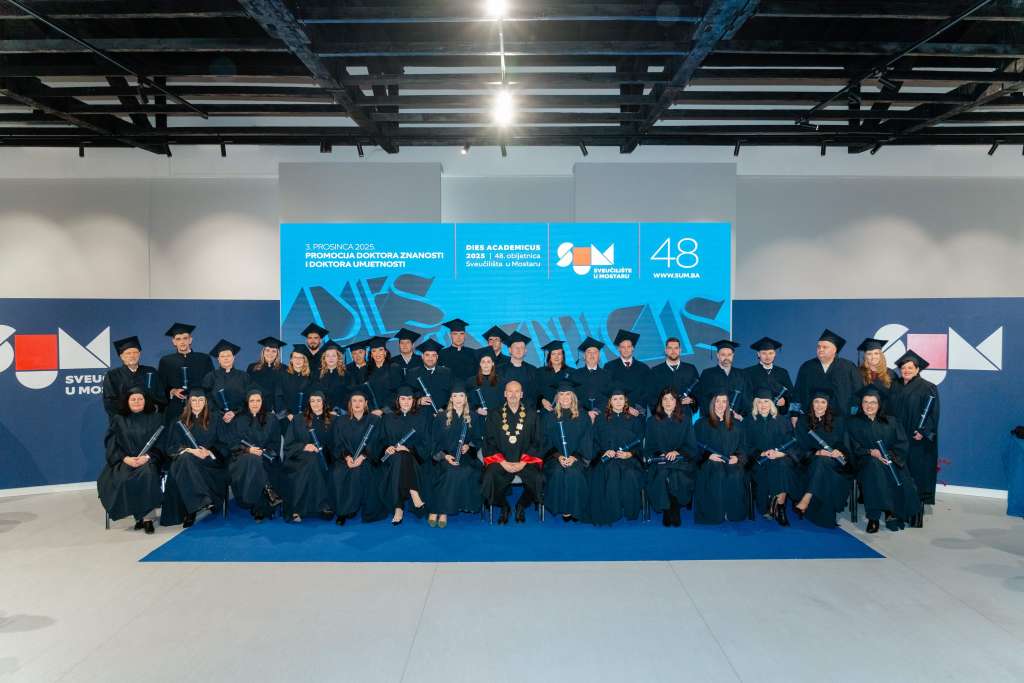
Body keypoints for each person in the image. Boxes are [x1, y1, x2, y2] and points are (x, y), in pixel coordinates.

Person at [846, 385, 920, 533]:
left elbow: (902, 444)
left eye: (873, 402)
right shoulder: (853, 422)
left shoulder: (892, 421)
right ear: (861, 404)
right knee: (874, 466)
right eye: (866, 402)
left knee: (888, 471)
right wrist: (869, 452)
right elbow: (851, 446)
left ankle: (887, 511)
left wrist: (888, 456)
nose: (869, 405)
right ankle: (877, 516)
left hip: (890, 460)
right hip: (864, 462)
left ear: (879, 404)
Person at [97, 387, 165, 533]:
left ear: (146, 401)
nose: (137, 402)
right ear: (127, 402)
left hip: (149, 459)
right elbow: (112, 444)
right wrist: (125, 458)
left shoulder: (156, 418)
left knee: (146, 474)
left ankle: (147, 519)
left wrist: (147, 457)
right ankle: (137, 514)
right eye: (133, 399)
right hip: (124, 460)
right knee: (122, 479)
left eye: (140, 399)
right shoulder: (118, 419)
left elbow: (162, 443)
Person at [159, 388, 228, 528]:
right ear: (189, 402)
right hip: (186, 461)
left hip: (209, 462)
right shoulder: (179, 421)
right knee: (186, 459)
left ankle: (191, 510)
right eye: (194, 400)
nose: (197, 403)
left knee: (182, 464)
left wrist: (209, 452)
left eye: (201, 400)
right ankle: (198, 503)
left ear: (206, 402)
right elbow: (171, 447)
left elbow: (225, 444)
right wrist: (189, 450)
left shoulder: (215, 419)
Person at [890, 350, 940, 527]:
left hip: (917, 439)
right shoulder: (894, 386)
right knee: (899, 472)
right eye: (903, 368)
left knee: (916, 474)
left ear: (918, 369)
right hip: (897, 438)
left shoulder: (928, 387)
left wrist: (923, 431)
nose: (906, 370)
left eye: (910, 368)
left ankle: (916, 514)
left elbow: (933, 414)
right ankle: (899, 510)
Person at [482, 379, 543, 524]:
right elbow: (489, 441)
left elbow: (537, 441)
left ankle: (521, 505)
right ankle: (504, 506)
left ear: (522, 394)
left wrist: (523, 462)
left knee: (539, 479)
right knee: (488, 478)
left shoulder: (532, 414)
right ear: (505, 394)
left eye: (517, 391)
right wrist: (502, 462)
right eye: (510, 391)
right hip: (501, 461)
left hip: (526, 461)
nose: (513, 395)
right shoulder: (494, 414)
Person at [792, 388, 851, 528]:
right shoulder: (803, 421)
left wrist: (839, 451)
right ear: (811, 403)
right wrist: (816, 452)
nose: (819, 405)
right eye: (816, 402)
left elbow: (846, 444)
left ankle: (806, 498)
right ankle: (810, 501)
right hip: (809, 462)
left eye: (823, 402)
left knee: (822, 463)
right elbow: (798, 448)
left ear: (828, 404)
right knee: (821, 461)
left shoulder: (838, 421)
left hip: (836, 463)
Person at [223, 388, 285, 522]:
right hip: (241, 458)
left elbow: (275, 442)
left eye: (258, 400)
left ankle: (261, 505)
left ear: (262, 402)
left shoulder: (271, 419)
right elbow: (232, 443)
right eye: (252, 401)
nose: (255, 404)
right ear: (247, 403)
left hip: (266, 456)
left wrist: (264, 451)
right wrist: (248, 450)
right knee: (253, 460)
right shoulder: (238, 420)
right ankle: (267, 493)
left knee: (258, 462)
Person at [427, 381, 483, 527]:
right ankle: (441, 510)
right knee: (450, 471)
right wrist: (445, 456)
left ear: (466, 398)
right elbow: (434, 442)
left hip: (465, 457)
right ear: (451, 398)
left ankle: (441, 511)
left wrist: (469, 446)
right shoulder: (441, 417)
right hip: (444, 456)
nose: (458, 399)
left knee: (463, 471)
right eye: (455, 396)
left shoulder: (473, 416)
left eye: (461, 396)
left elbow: (478, 440)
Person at [643, 387, 699, 527]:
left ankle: (672, 508)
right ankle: (669, 509)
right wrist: (659, 454)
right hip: (660, 461)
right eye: (665, 399)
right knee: (664, 472)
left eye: (672, 399)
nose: (668, 402)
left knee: (675, 474)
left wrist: (677, 452)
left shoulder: (685, 420)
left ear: (677, 402)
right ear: (660, 402)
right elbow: (648, 447)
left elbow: (691, 445)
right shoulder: (652, 421)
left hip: (681, 460)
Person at [589, 386, 645, 525]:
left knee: (630, 474)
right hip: (606, 459)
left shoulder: (634, 419)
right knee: (612, 470)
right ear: (610, 402)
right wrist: (604, 452)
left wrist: (629, 454)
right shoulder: (601, 419)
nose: (618, 402)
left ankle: (630, 510)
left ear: (626, 401)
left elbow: (640, 442)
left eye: (621, 398)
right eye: (615, 399)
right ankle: (613, 511)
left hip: (629, 459)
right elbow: (594, 441)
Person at [745, 386, 801, 526]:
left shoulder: (782, 421)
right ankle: (773, 505)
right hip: (759, 460)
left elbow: (792, 443)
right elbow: (744, 445)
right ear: (755, 404)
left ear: (771, 403)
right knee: (777, 468)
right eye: (759, 402)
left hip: (780, 458)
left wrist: (781, 453)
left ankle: (779, 508)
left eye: (766, 401)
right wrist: (761, 453)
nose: (763, 405)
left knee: (782, 465)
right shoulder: (749, 421)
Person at [540, 379, 593, 523]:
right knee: (557, 471)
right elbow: (544, 441)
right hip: (554, 458)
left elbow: (587, 440)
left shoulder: (583, 416)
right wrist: (558, 456)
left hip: (577, 457)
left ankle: (575, 508)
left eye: (568, 394)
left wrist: (574, 457)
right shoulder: (549, 417)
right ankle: (562, 507)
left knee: (573, 472)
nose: (564, 398)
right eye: (561, 394)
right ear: (557, 397)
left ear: (573, 397)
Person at [329, 388, 384, 525]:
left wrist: (363, 456)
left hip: (367, 458)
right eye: (354, 401)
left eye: (360, 401)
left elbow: (377, 442)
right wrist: (347, 457)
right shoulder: (341, 421)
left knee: (359, 471)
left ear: (366, 403)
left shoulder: (374, 420)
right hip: (345, 458)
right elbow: (337, 443)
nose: (357, 404)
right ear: (350, 403)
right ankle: (342, 511)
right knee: (338, 473)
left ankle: (350, 509)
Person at [693, 391, 749, 524]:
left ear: (728, 404)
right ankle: (716, 514)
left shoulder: (737, 424)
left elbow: (744, 447)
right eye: (717, 401)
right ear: (712, 403)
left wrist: (737, 458)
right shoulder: (701, 424)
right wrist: (708, 455)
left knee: (735, 475)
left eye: (724, 401)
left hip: (731, 460)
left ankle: (731, 512)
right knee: (717, 473)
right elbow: (694, 446)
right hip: (709, 461)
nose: (720, 405)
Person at [377, 386, 429, 525]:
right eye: (403, 399)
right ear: (398, 400)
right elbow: (380, 440)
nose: (406, 402)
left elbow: (426, 443)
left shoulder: (421, 418)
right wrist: (387, 447)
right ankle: (414, 493)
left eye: (409, 399)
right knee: (400, 457)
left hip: (414, 458)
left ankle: (398, 508)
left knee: (403, 456)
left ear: (414, 401)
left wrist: (409, 449)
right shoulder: (388, 418)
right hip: (391, 458)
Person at [282, 390, 334, 522]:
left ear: (324, 403)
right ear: (309, 403)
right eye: (312, 401)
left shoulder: (332, 419)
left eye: (318, 401)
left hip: (325, 457)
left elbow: (337, 442)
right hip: (298, 457)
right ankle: (318, 505)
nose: (315, 404)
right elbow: (288, 444)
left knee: (315, 461)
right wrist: (304, 446)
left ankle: (303, 508)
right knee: (311, 461)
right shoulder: (298, 419)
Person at [793, 329, 862, 421]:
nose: (820, 350)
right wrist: (794, 414)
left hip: (842, 420)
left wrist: (854, 415)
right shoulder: (807, 367)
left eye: (825, 347)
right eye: (818, 347)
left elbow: (858, 394)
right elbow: (797, 393)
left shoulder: (848, 367)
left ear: (835, 350)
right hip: (811, 419)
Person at [157, 322, 214, 424]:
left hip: (198, 406)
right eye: (178, 339)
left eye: (185, 338)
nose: (182, 342)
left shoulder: (204, 359)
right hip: (176, 406)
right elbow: (161, 385)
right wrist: (172, 391)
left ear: (190, 340)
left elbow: (211, 383)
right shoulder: (166, 361)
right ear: (174, 342)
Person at [103, 335, 165, 421]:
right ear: (121, 356)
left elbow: (161, 396)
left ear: (139, 354)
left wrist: (152, 410)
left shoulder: (151, 371)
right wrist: (123, 417)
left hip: (149, 420)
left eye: (135, 352)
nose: (132, 356)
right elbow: (110, 402)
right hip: (124, 421)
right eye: (128, 353)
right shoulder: (112, 375)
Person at [202, 339, 252, 425]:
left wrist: (235, 412)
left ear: (234, 357)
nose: (226, 358)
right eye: (222, 356)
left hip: (240, 419)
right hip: (217, 419)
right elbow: (206, 398)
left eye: (228, 355)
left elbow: (249, 398)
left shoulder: (244, 376)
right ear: (218, 359)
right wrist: (220, 413)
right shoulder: (210, 377)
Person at [697, 340, 750, 421]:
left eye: (729, 355)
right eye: (723, 355)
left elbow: (746, 399)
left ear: (733, 355)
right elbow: (702, 399)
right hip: (713, 421)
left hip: (735, 421)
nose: (726, 358)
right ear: (717, 355)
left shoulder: (741, 374)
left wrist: (740, 416)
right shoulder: (707, 374)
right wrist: (713, 416)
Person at [648, 337, 700, 418]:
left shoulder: (690, 369)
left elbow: (698, 392)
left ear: (680, 350)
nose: (673, 351)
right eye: (670, 348)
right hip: (663, 417)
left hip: (685, 416)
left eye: (676, 348)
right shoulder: (655, 371)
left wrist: (691, 400)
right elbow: (651, 396)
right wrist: (660, 414)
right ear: (665, 350)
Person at [743, 337, 794, 417]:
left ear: (775, 354)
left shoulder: (782, 372)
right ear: (758, 354)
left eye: (771, 353)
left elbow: (791, 393)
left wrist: (785, 400)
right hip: (756, 415)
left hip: (777, 416)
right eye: (764, 353)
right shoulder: (748, 372)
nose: (768, 357)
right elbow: (745, 395)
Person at [604, 330, 651, 416]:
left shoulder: (644, 368)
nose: (626, 350)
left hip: (638, 412)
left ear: (633, 348)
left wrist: (637, 408)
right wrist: (625, 407)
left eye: (629, 347)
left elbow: (647, 392)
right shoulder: (609, 367)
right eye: (623, 347)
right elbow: (608, 390)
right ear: (618, 348)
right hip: (617, 412)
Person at [407, 338, 453, 417]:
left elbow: (452, 393)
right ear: (422, 356)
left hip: (441, 415)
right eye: (427, 355)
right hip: (420, 415)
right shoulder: (413, 373)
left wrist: (444, 408)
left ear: (437, 357)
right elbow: (407, 394)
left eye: (433, 355)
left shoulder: (447, 372)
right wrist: (418, 401)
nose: (430, 358)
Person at [570, 336, 610, 421]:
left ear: (599, 356)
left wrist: (597, 411)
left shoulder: (607, 375)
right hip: (580, 416)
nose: (592, 355)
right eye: (589, 352)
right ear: (584, 356)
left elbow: (609, 397)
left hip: (602, 416)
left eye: (595, 352)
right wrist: (585, 412)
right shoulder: (575, 375)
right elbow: (572, 396)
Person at [857, 338, 899, 415]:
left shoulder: (891, 374)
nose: (873, 357)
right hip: (863, 414)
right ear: (865, 356)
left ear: (881, 355)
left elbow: (895, 399)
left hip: (885, 415)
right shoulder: (858, 373)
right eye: (869, 354)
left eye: (876, 353)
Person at [246, 336, 286, 417]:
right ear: (263, 352)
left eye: (274, 351)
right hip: (258, 410)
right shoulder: (252, 368)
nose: (270, 353)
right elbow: (249, 389)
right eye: (267, 350)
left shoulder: (284, 369)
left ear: (277, 354)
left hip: (279, 412)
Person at [497, 331, 539, 405]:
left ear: (525, 351)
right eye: (516, 347)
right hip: (504, 409)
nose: (519, 350)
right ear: (510, 350)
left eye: (522, 347)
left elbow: (535, 393)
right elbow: (497, 393)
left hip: (527, 409)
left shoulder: (532, 370)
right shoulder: (500, 370)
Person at [363, 336, 400, 415]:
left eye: (380, 350)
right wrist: (371, 410)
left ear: (385, 352)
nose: (377, 353)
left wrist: (383, 410)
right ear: (371, 355)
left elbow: (397, 391)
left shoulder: (394, 368)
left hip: (390, 411)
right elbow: (365, 393)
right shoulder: (366, 370)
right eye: (374, 351)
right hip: (372, 412)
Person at [278, 345, 313, 427]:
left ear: (305, 360)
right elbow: (278, 396)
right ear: (291, 359)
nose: (298, 360)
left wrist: (306, 414)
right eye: (295, 357)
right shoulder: (283, 375)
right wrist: (288, 414)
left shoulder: (311, 377)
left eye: (301, 358)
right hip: (287, 418)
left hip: (306, 418)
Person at [314, 341, 348, 415]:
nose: (330, 358)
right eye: (328, 356)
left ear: (338, 357)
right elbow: (314, 394)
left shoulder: (346, 374)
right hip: (321, 413)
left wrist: (337, 410)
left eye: (333, 355)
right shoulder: (317, 374)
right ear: (324, 358)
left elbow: (348, 395)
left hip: (339, 414)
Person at [538, 339, 572, 412]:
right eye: (553, 354)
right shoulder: (540, 372)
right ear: (549, 356)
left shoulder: (572, 372)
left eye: (559, 354)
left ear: (563, 356)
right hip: (545, 411)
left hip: (566, 411)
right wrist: (542, 400)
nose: (556, 357)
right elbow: (535, 391)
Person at [469, 353, 502, 418]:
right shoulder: (471, 381)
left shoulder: (501, 381)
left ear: (493, 364)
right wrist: (476, 409)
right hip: (478, 417)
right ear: (480, 364)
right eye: (483, 362)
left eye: (488, 362)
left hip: (496, 417)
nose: (486, 364)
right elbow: (468, 399)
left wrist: (491, 413)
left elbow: (503, 401)